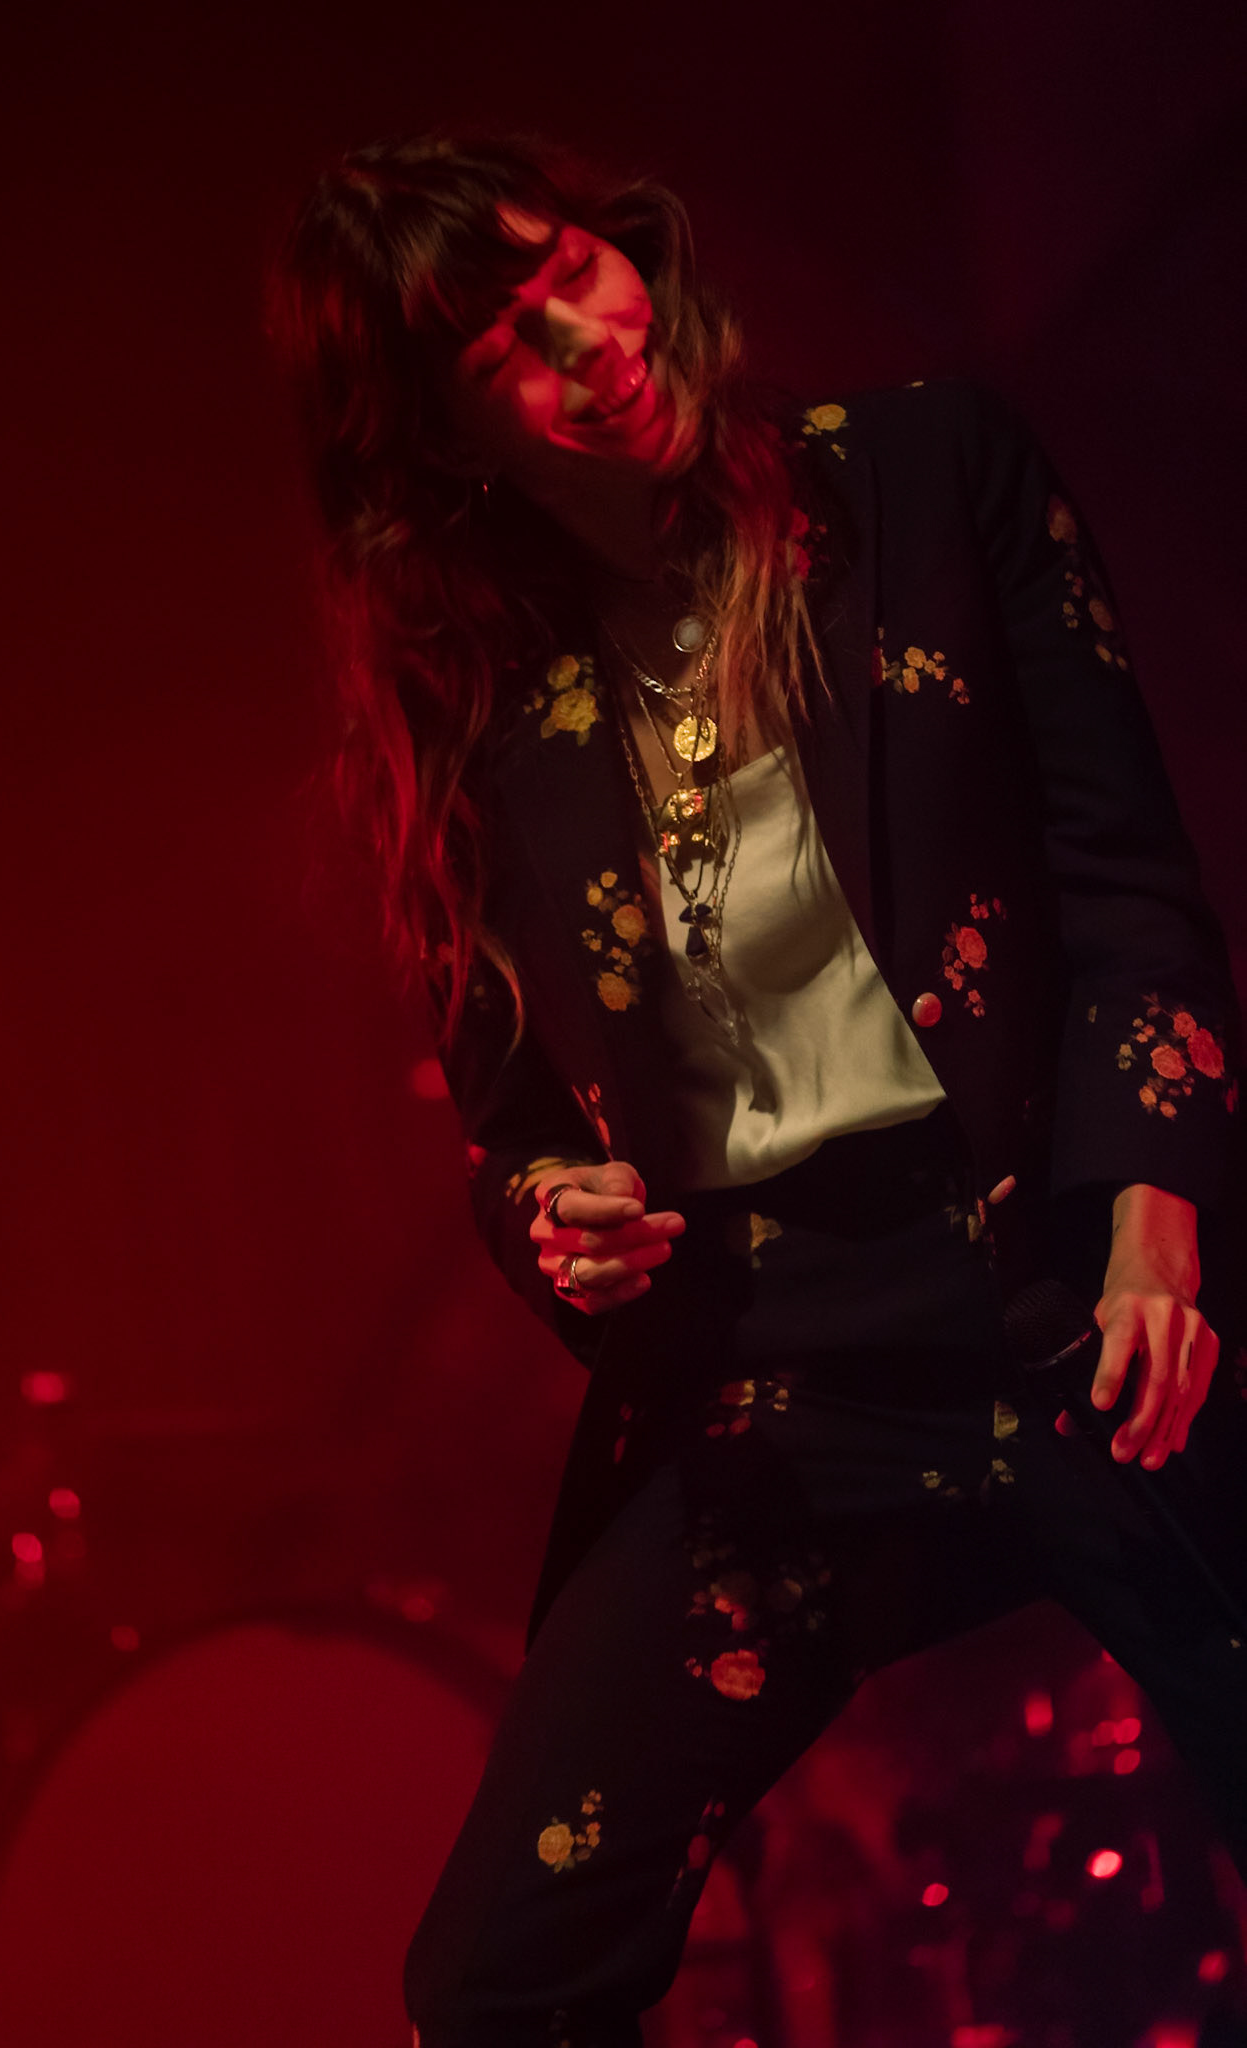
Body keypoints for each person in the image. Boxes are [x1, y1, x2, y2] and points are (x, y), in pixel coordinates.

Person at [270, 132, 1246, 2048]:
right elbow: (514, 1123)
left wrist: (1153, 1214)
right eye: (501, 348)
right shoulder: (474, 706)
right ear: (450, 441)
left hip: (1065, 1284)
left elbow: (1128, 882)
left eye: (568, 267)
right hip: (765, 1371)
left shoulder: (926, 474)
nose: (587, 336)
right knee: (495, 1979)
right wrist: (559, 1221)